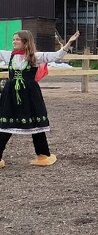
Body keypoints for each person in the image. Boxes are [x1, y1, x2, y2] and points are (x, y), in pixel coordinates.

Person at [1, 30, 79, 168]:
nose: (14, 42)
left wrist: (69, 43)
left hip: (30, 94)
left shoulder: (35, 57)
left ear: (25, 42)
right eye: (13, 40)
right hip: (11, 93)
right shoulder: (9, 55)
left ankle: (43, 156)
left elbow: (56, 56)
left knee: (37, 123)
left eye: (17, 40)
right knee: (6, 124)